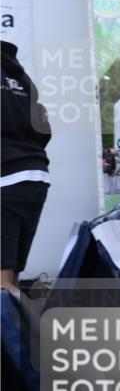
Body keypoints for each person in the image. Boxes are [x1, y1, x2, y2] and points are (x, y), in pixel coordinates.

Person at [1, 40, 51, 294]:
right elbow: (44, 129)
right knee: (12, 274)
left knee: (2, 282)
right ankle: (24, 331)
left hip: (6, 177)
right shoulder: (21, 76)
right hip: (35, 174)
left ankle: (37, 333)